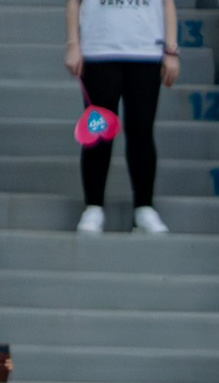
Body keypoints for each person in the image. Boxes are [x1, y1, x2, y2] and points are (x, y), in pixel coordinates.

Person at [65, 0, 174, 232]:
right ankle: (93, 206)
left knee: (141, 130)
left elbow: (167, 3)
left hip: (146, 51)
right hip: (98, 50)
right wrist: (73, 43)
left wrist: (171, 50)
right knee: (98, 131)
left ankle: (144, 207)